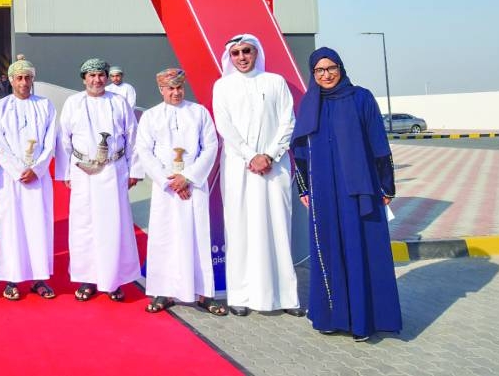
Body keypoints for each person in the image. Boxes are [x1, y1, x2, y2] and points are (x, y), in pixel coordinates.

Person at [291, 47, 402, 342]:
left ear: (341, 68)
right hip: (324, 192)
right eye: (319, 70)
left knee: (359, 250)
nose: (326, 75)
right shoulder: (310, 103)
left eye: (331, 68)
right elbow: (299, 150)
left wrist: (386, 186)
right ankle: (331, 317)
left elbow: (379, 144)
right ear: (312, 74)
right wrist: (304, 187)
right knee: (328, 250)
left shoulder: (360, 98)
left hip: (359, 191)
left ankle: (363, 321)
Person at [211, 33, 303, 317]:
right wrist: (251, 155)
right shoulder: (223, 86)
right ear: (230, 57)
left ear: (256, 52)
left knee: (277, 226)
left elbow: (288, 122)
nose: (241, 57)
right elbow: (225, 125)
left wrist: (270, 155)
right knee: (240, 228)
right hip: (240, 168)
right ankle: (240, 295)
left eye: (246, 51)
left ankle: (285, 296)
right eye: (236, 53)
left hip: (275, 169)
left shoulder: (275, 83)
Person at [136, 68, 224, 315]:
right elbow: (144, 150)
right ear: (161, 89)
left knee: (197, 237)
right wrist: (170, 181)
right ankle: (163, 291)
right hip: (166, 190)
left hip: (194, 187)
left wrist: (188, 177)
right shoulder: (151, 116)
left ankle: (204, 293)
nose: (175, 93)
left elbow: (210, 147)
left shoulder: (199, 113)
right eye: (170, 89)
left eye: (179, 88)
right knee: (165, 237)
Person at [57, 58, 142, 302]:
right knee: (84, 226)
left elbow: (132, 136)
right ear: (83, 79)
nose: (96, 80)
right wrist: (66, 173)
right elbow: (64, 140)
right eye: (91, 76)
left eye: (100, 75)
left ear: (107, 77)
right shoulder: (73, 103)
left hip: (113, 171)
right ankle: (88, 279)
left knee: (113, 225)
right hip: (83, 172)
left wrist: (134, 170)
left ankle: (113, 280)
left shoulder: (119, 102)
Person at [0, 57, 58, 301]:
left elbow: (51, 142)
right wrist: (19, 170)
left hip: (38, 178)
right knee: (12, 226)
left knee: (39, 225)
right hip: (11, 178)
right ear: (10, 81)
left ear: (33, 79)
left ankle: (40, 278)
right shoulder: (1, 107)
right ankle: (12, 279)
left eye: (28, 77)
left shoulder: (46, 105)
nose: (24, 82)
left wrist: (37, 169)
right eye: (19, 78)